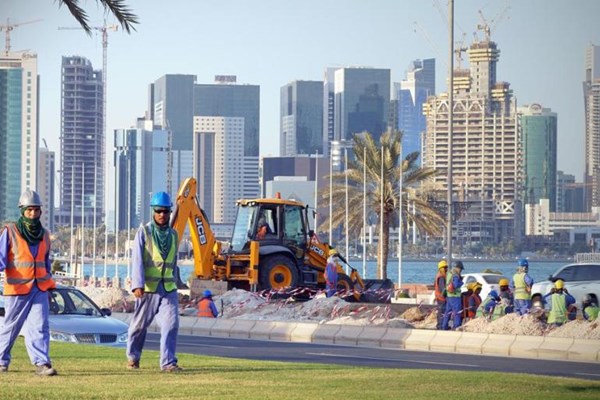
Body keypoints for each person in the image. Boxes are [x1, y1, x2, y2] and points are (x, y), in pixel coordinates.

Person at [0, 190, 57, 376]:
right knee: (11, 327)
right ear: (22, 211)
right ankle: (1, 361)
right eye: (29, 210)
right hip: (17, 288)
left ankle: (42, 363)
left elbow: (46, 263)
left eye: (36, 210)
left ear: (40, 212)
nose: (33, 213)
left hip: (39, 288)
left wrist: (49, 287)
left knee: (40, 325)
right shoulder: (10, 232)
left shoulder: (45, 235)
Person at [126, 192, 183, 372]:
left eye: (166, 211)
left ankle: (168, 362)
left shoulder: (174, 235)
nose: (162, 215)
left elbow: (173, 262)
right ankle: (133, 357)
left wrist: (177, 283)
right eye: (158, 211)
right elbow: (137, 261)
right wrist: (137, 285)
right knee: (139, 326)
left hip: (168, 288)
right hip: (148, 289)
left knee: (171, 324)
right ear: (153, 211)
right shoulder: (144, 232)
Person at [442, 260, 464, 330]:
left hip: (449, 296)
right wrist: (462, 283)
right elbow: (456, 284)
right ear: (458, 267)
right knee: (457, 312)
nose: (461, 271)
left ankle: (444, 326)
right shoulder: (455, 275)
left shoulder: (449, 273)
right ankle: (456, 326)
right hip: (455, 297)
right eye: (460, 269)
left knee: (447, 312)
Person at [433, 260, 448, 330]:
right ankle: (440, 326)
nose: (446, 269)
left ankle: (441, 325)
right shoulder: (441, 277)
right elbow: (442, 289)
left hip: (439, 297)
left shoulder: (439, 275)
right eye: (445, 267)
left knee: (441, 312)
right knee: (442, 312)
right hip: (441, 298)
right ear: (442, 268)